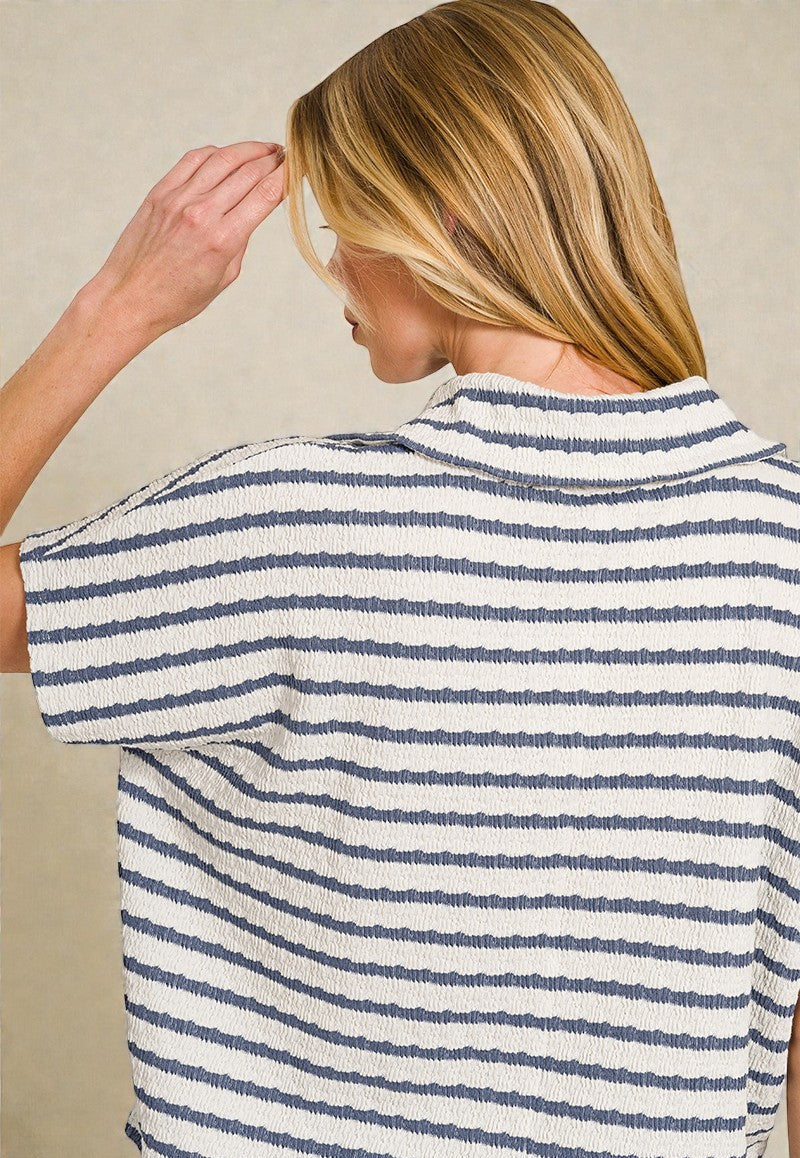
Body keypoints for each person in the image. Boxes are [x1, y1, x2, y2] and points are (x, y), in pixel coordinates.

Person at [1, 1, 798, 1154]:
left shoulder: (294, 522)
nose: (333, 265)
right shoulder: (782, 542)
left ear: (443, 213)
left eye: (344, 222)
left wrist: (115, 307)